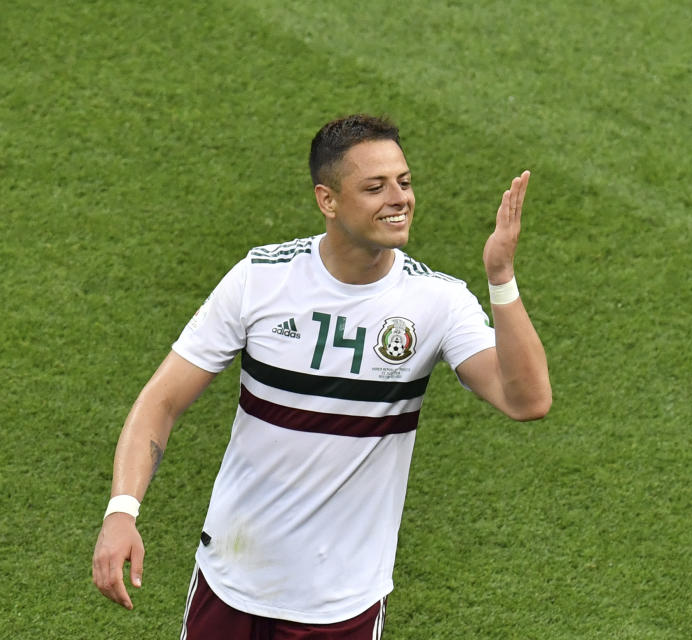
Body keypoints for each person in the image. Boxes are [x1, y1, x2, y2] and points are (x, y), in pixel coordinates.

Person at [92, 114, 552, 639]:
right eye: (375, 187)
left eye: (404, 181)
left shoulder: (436, 302)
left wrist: (501, 279)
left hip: (341, 608)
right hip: (229, 584)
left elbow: (527, 400)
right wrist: (121, 512)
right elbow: (162, 400)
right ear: (327, 200)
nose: (398, 198)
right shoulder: (262, 279)